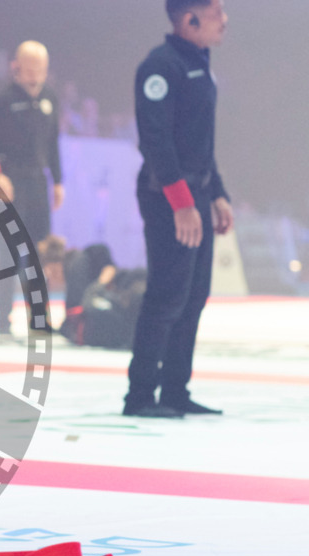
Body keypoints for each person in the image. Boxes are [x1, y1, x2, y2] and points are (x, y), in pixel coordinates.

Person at [123, 0, 233, 418]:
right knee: (167, 294)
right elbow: (156, 141)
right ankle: (139, 396)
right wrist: (182, 204)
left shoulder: (199, 63)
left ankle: (174, 391)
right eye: (216, 11)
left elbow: (199, 141)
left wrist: (217, 193)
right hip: (167, 195)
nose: (224, 19)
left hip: (197, 194)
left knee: (193, 296)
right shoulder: (161, 66)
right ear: (190, 19)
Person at [0, 40, 64, 337]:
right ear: (17, 67)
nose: (35, 75)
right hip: (8, 184)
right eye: (30, 68)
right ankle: (3, 322)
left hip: (39, 183)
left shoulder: (51, 99)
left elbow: (53, 145)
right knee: (9, 254)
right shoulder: (0, 99)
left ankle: (39, 319)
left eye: (40, 69)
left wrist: (59, 181)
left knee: (40, 253)